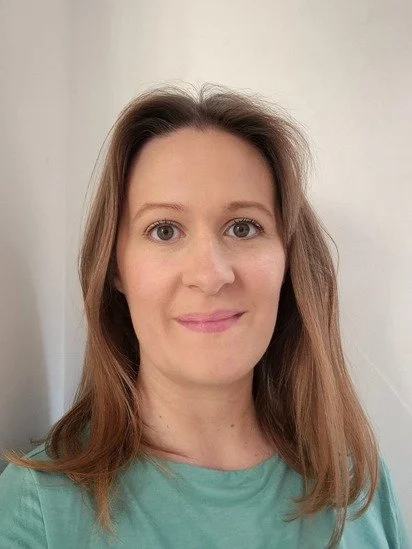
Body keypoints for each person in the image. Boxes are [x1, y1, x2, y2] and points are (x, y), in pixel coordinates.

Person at [0, 83, 410, 549]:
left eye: (243, 227)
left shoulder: (357, 485)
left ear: (288, 260)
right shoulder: (38, 512)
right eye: (164, 230)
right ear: (115, 268)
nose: (210, 275)